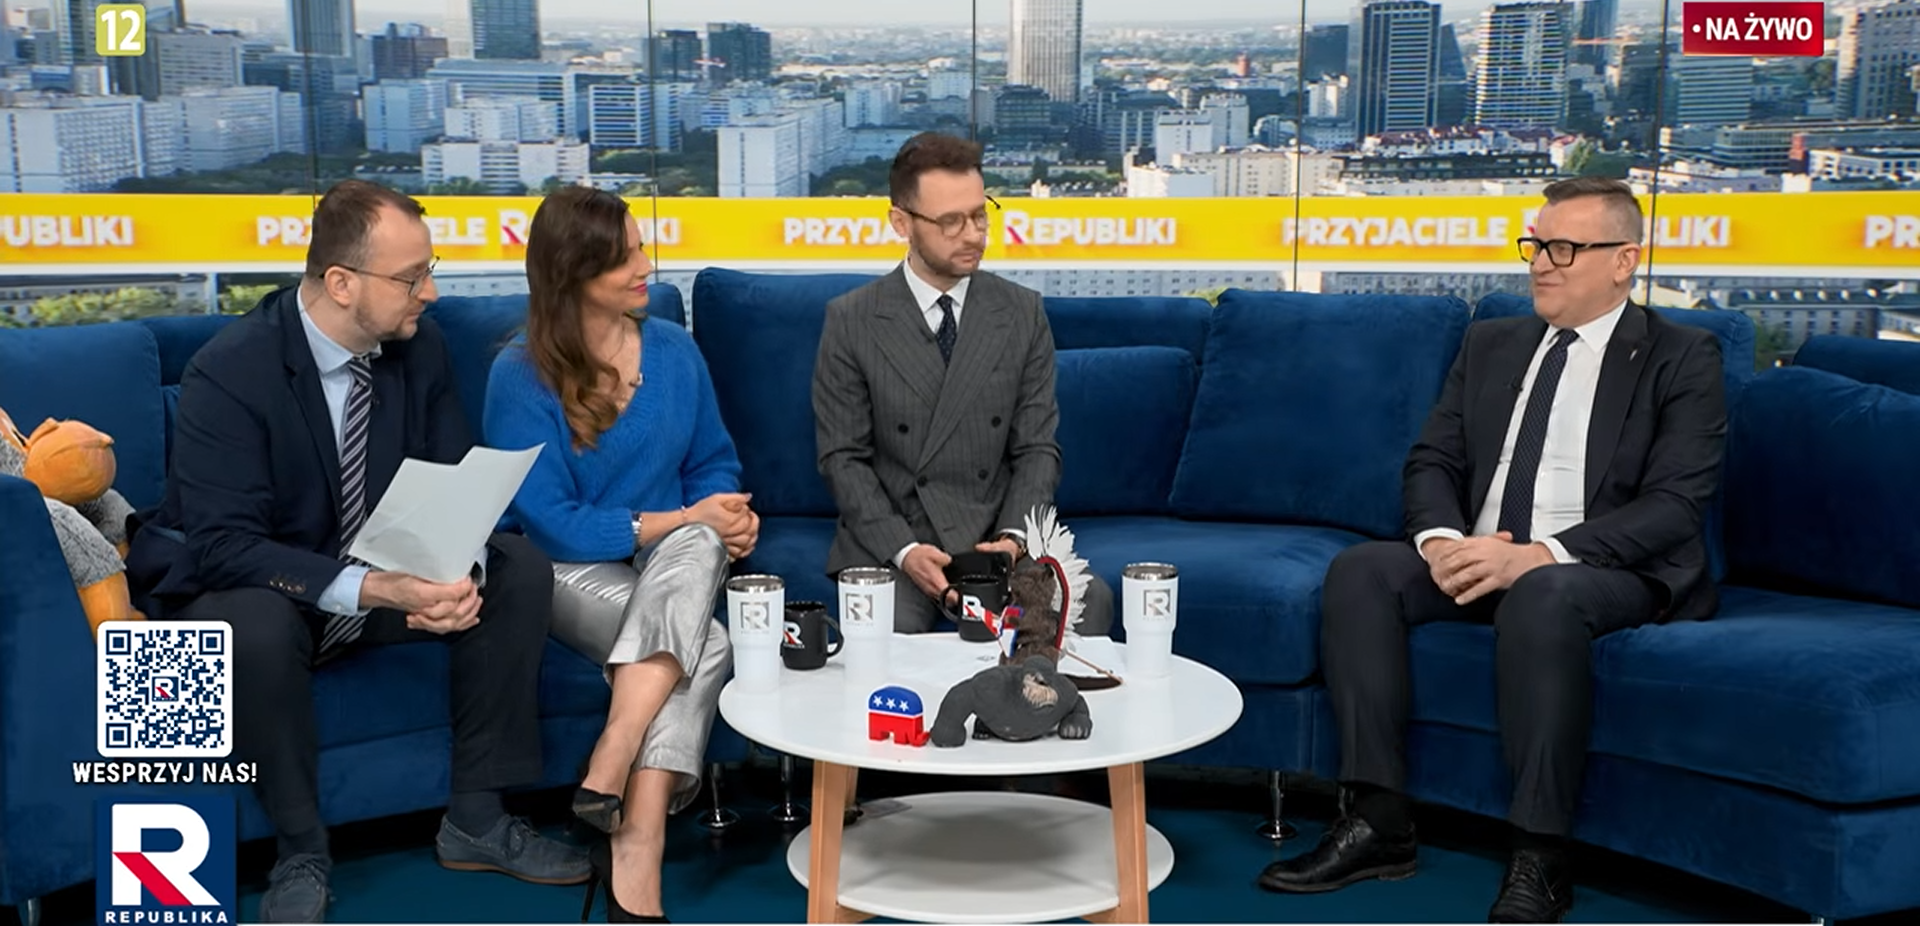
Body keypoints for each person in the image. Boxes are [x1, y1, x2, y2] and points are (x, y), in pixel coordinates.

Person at [1257, 177, 1728, 923]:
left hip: (1604, 568)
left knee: (1543, 594)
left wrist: (1538, 555)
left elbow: (1673, 506)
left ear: (1624, 261)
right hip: (1482, 551)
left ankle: (1541, 855)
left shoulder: (1681, 355)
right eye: (1535, 245)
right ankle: (1378, 822)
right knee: (1361, 572)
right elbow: (1432, 461)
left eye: (1564, 248)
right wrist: (1445, 543)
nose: (1540, 263)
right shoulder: (1492, 343)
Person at [123, 180, 587, 923]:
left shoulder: (419, 348)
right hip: (270, 587)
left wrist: (453, 575)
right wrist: (378, 590)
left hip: (382, 575)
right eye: (411, 277)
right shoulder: (231, 370)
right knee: (254, 624)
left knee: (516, 570)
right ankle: (300, 852)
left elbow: (451, 483)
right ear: (341, 283)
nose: (430, 293)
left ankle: (476, 817)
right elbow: (224, 546)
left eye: (429, 271)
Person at [483, 185, 756, 923]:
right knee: (709, 643)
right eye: (623, 258)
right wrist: (686, 518)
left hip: (672, 560)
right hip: (562, 569)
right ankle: (638, 831)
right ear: (571, 273)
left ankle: (620, 774)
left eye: (639, 248)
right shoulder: (519, 374)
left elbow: (713, 464)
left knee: (699, 538)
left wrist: (726, 515)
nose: (645, 268)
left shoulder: (674, 351)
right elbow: (552, 525)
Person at [811, 131, 1112, 635]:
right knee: (889, 635)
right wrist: (905, 551)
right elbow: (842, 459)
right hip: (897, 540)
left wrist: (1013, 539)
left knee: (1087, 602)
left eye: (980, 215)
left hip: (996, 537)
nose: (972, 235)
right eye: (951, 221)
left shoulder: (1021, 312)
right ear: (901, 223)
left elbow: (1037, 449)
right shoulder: (852, 320)